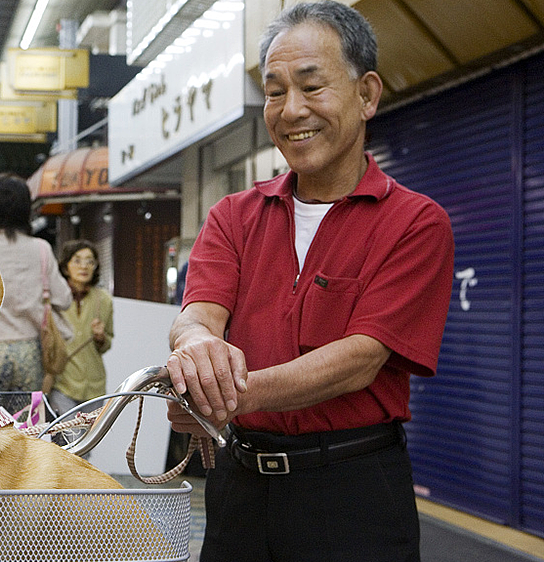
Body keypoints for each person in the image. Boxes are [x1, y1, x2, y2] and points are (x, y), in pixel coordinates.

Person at [164, 3, 454, 560]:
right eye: (274, 91)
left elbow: (360, 359)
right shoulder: (233, 215)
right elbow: (199, 313)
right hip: (238, 488)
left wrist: (216, 393)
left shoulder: (416, 223)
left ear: (367, 94)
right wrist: (195, 350)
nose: (291, 109)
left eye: (311, 86)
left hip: (353, 492)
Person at [0, 173, 72, 395]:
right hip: (29, 349)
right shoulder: (40, 248)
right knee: (27, 422)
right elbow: (64, 299)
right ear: (25, 209)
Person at [49, 240, 113, 417]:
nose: (83, 266)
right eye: (77, 260)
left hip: (94, 387)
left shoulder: (104, 299)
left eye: (89, 261)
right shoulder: (55, 298)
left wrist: (101, 337)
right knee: (69, 437)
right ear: (65, 266)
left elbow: (107, 344)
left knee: (90, 440)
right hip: (62, 383)